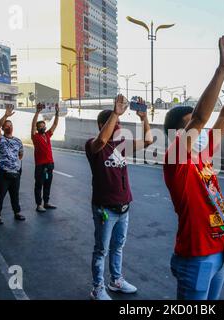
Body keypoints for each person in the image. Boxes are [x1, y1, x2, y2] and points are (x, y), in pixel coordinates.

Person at [163, 36, 224, 300]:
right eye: (193, 127)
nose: (201, 130)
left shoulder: (202, 155)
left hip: (218, 253)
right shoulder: (176, 161)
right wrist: (221, 71)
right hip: (195, 258)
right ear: (177, 134)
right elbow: (201, 117)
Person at [85, 95, 153, 300]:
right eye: (115, 123)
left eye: (119, 124)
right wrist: (115, 113)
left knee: (118, 247)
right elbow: (102, 140)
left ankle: (116, 280)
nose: (118, 127)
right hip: (104, 208)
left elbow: (149, 140)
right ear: (102, 125)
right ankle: (97, 288)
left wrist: (144, 117)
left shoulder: (122, 144)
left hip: (124, 207)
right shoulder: (93, 145)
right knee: (101, 250)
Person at [0, 105, 25, 225]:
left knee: (15, 195)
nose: (9, 126)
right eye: (6, 125)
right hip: (2, 172)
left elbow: (20, 154)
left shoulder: (18, 141)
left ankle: (17, 212)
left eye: (10, 125)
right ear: (2, 128)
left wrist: (15, 165)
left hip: (15, 173)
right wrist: (6, 115)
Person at [31, 103, 59, 213]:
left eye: (43, 126)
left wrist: (57, 113)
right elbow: (33, 125)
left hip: (49, 164)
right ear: (37, 128)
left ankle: (46, 203)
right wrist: (37, 112)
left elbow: (55, 125)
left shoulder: (48, 135)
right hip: (40, 165)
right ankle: (39, 205)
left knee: (48, 184)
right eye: (40, 126)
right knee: (39, 185)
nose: (42, 127)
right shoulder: (35, 136)